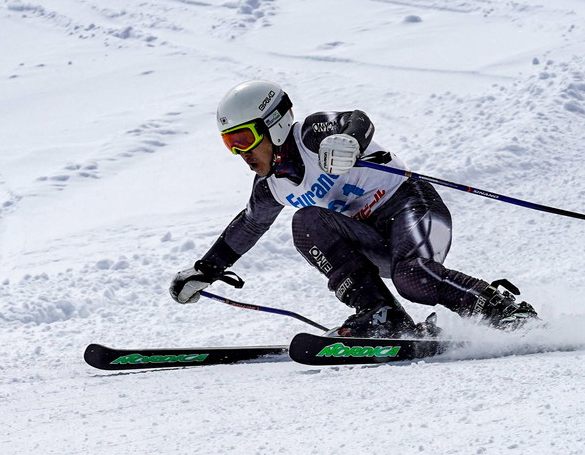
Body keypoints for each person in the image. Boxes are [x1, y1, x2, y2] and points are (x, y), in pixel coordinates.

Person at [169, 79, 537, 338]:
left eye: (244, 139)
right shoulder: (272, 187)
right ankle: (382, 315)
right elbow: (248, 226)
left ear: (274, 126)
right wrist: (206, 270)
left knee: (413, 278)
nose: (240, 153)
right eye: (229, 144)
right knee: (306, 221)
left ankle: (505, 311)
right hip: (373, 239)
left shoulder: (312, 134)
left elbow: (356, 120)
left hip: (411, 206)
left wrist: (346, 140)